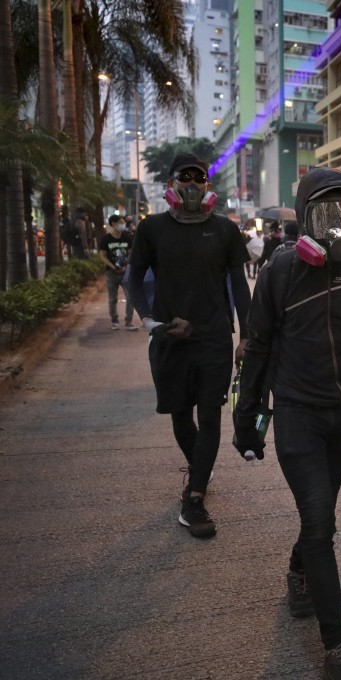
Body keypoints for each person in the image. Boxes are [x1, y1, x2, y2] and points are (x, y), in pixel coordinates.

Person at [234, 167, 341, 680]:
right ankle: (337, 646)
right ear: (304, 218)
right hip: (298, 415)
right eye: (323, 214)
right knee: (322, 520)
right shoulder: (281, 271)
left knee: (316, 517)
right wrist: (246, 417)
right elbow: (257, 347)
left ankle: (300, 569)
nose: (335, 227)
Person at [126, 153, 251, 539]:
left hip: (213, 338)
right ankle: (200, 465)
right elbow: (133, 280)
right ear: (173, 184)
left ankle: (194, 499)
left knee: (211, 414)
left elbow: (241, 287)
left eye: (201, 178)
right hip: (169, 339)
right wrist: (150, 322)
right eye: (187, 177)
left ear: (209, 187)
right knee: (181, 416)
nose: (194, 185)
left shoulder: (226, 231)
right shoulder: (152, 228)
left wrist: (246, 336)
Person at [98, 214, 136, 331]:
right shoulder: (106, 239)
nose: (123, 224)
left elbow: (130, 253)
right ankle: (114, 321)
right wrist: (113, 267)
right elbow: (103, 256)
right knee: (112, 298)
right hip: (111, 273)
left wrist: (126, 266)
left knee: (131, 298)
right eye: (120, 222)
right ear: (113, 224)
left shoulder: (127, 237)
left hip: (125, 273)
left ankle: (128, 322)